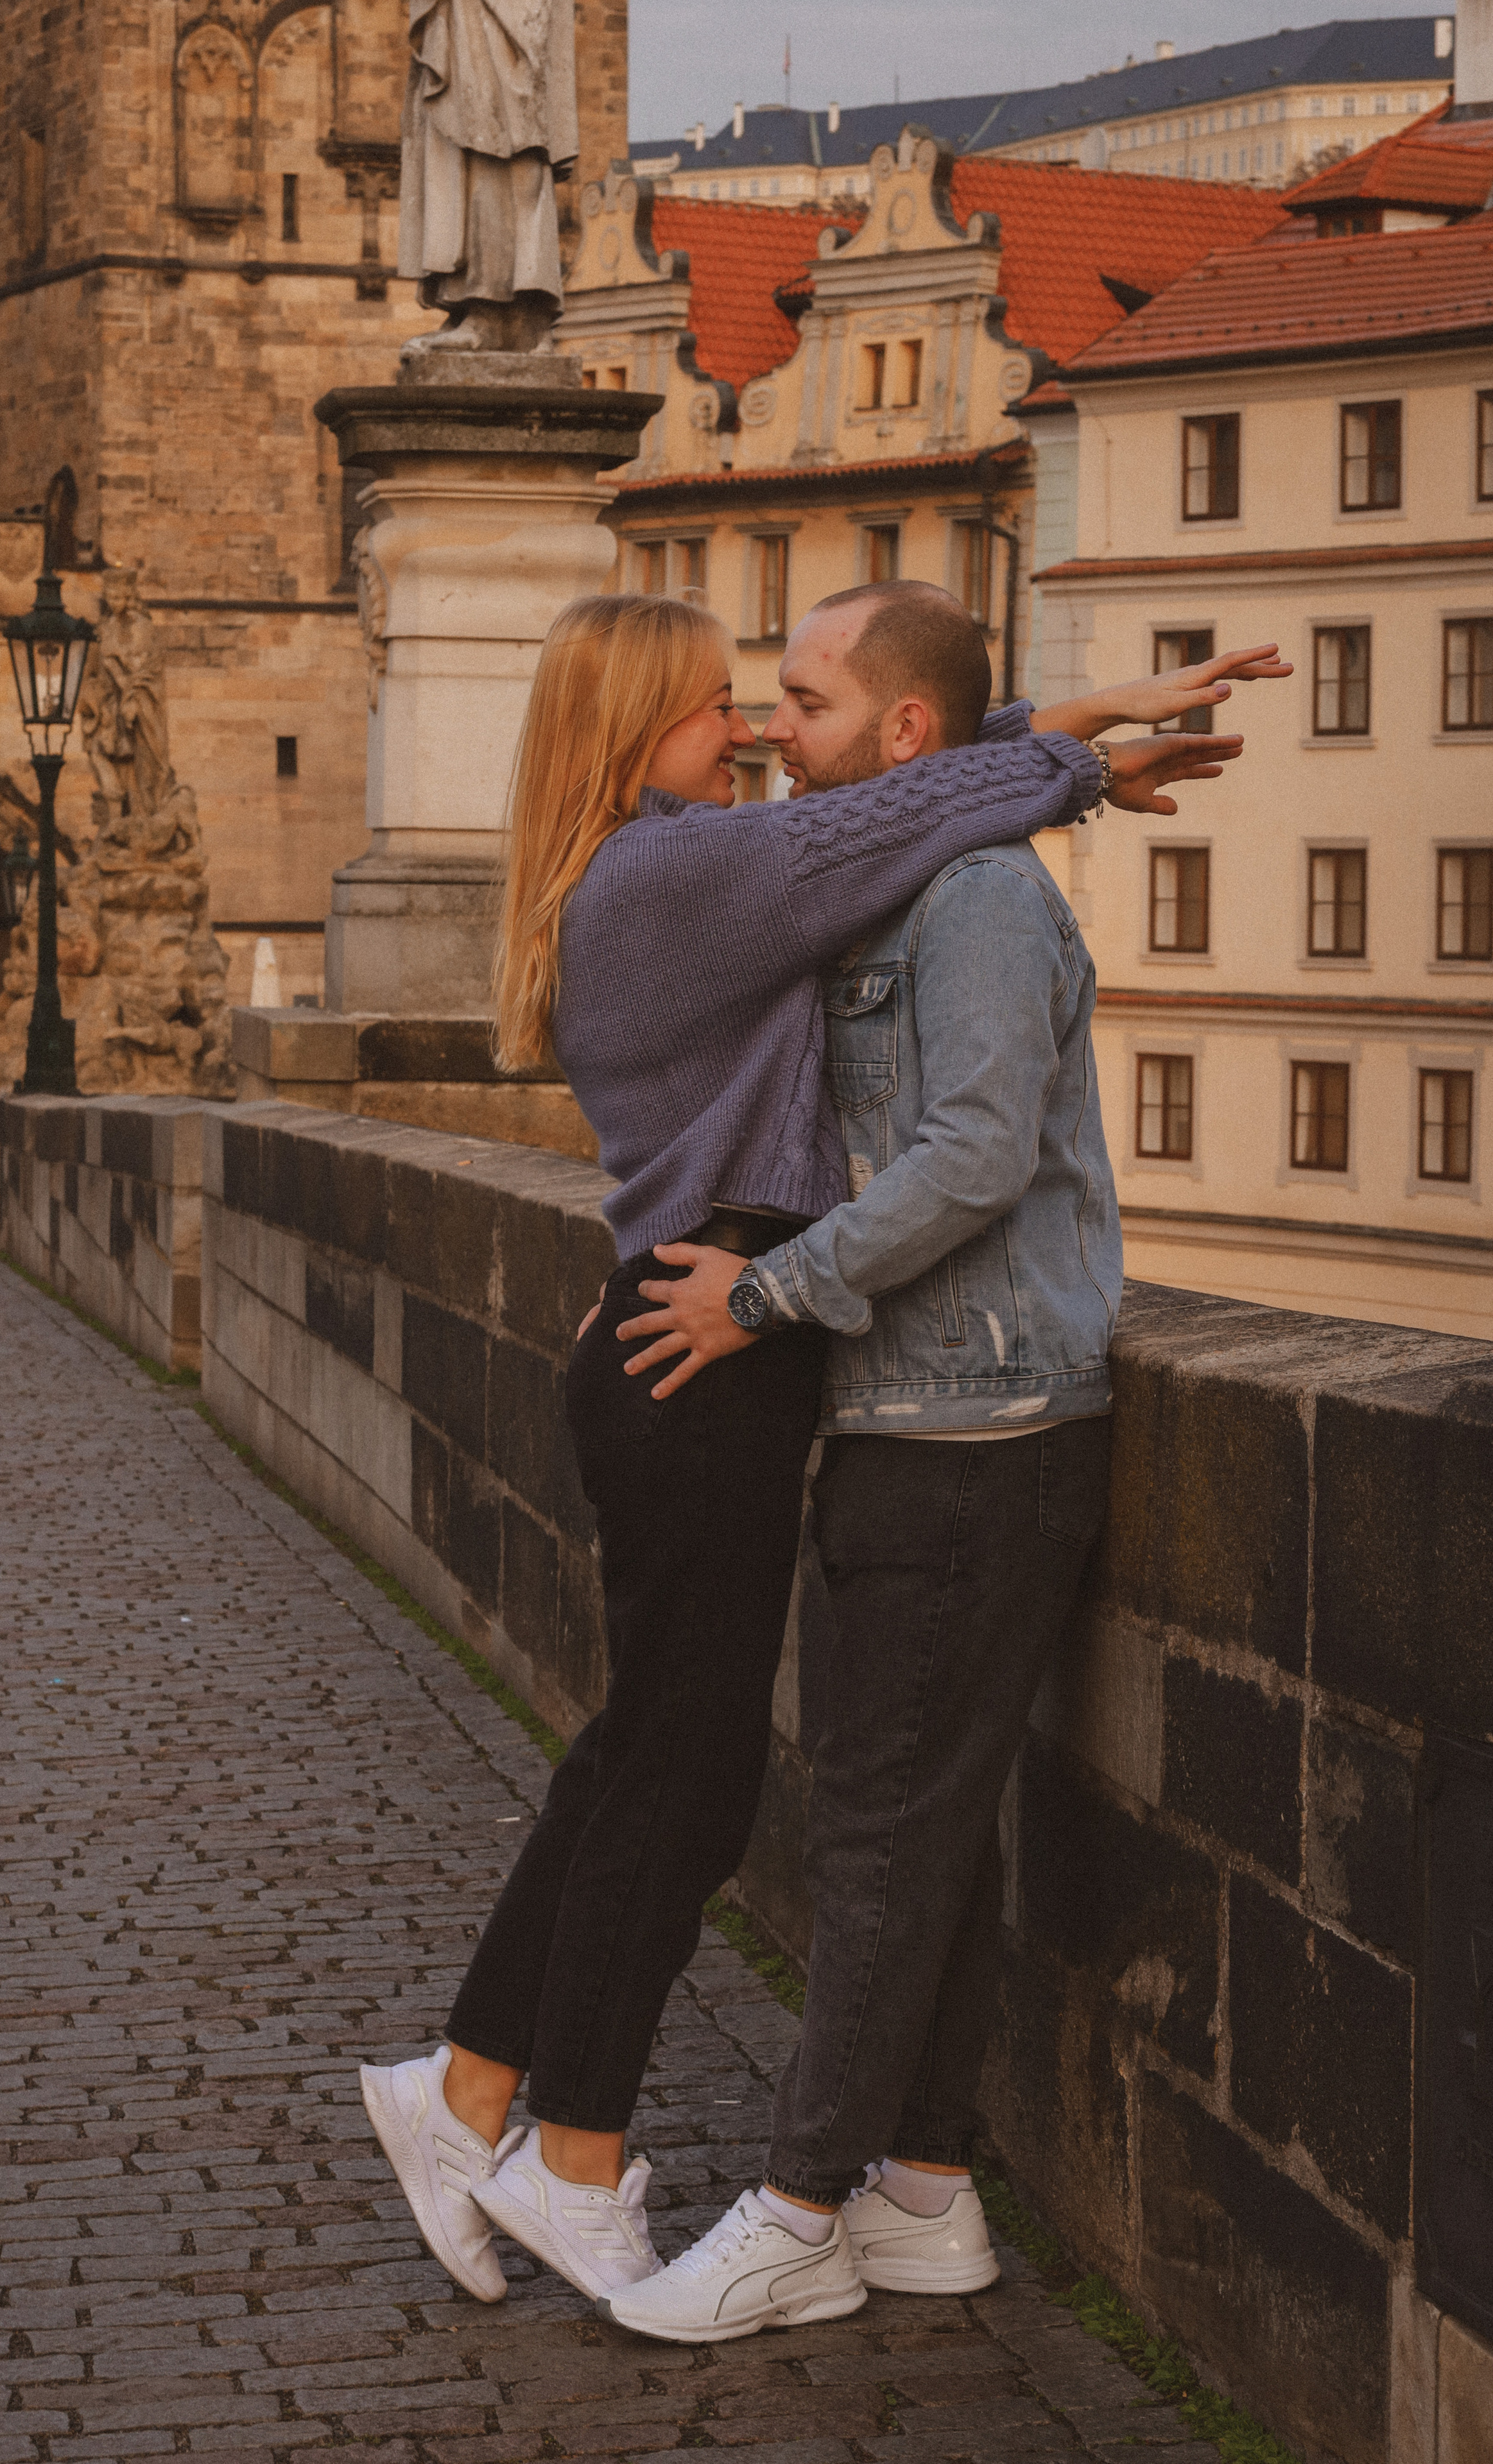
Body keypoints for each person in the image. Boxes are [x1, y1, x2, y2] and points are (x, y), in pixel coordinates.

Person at [356, 589, 1249, 2311]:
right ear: (639, 735)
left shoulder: (648, 863)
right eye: (717, 709)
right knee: (686, 1782)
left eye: (766, 703)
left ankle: (467, 2089)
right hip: (713, 1341)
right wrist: (1070, 753)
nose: (751, 731)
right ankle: (580, 2158)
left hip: (695, 1335)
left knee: (643, 1755)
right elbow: (891, 795)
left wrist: (1078, 723)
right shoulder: (680, 874)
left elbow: (893, 779)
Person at [594, 582, 1290, 2345]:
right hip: (920, 1412)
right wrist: (1078, 729)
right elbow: (942, 761)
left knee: (879, 1837)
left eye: (808, 703)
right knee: (918, 1816)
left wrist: (767, 1294)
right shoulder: (911, 848)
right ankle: (925, 2188)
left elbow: (976, 1157)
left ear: (894, 731)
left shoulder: (974, 899)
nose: (774, 735)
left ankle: (800, 2208)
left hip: (973, 1423)